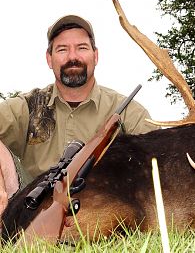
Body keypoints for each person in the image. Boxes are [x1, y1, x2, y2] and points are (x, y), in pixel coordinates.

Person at [0, 15, 158, 211]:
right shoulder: (27, 106)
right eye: (62, 49)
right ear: (49, 59)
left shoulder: (128, 111)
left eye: (82, 47)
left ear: (96, 56)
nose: (72, 57)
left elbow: (160, 159)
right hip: (32, 210)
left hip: (109, 211)